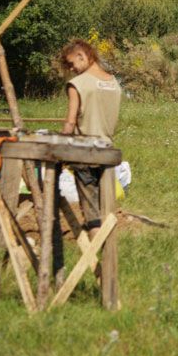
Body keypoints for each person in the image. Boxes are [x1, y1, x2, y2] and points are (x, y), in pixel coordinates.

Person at [59, 39, 121, 235]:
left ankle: (96, 251)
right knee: (106, 207)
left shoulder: (77, 84)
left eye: (71, 63)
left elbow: (70, 123)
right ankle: (109, 247)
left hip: (85, 152)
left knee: (91, 210)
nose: (71, 69)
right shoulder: (113, 82)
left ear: (82, 56)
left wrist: (59, 147)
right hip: (108, 151)